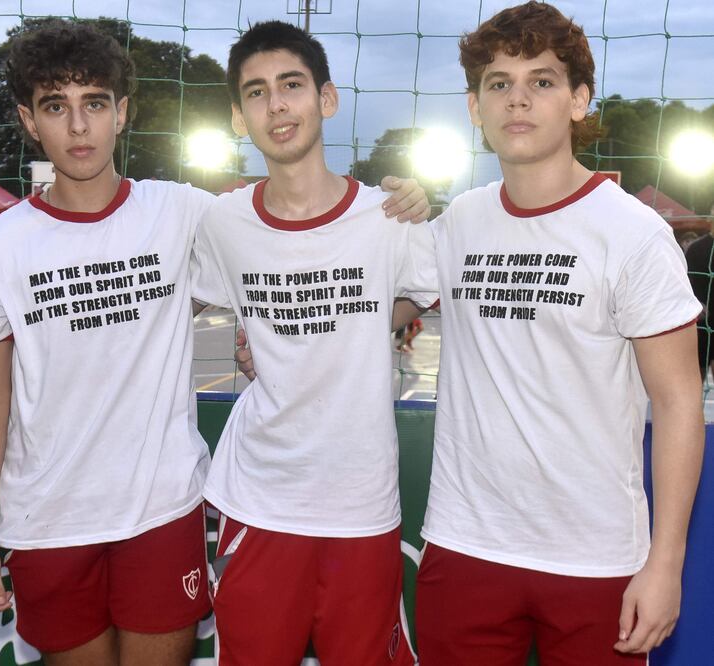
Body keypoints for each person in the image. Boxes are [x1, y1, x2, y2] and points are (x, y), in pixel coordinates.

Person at [0, 20, 429, 665]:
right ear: (28, 120)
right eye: (55, 107)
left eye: (95, 103)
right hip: (47, 519)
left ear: (122, 112)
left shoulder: (182, 212)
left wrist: (406, 196)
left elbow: (301, 247)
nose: (79, 126)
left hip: (165, 509)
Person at [415, 3, 704, 665]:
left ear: (578, 101)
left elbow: (679, 401)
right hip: (466, 545)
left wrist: (665, 564)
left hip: (595, 558)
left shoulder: (634, 235)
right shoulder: (458, 222)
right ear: (475, 107)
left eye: (541, 81)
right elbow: (377, 307)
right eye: (499, 83)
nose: (517, 99)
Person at [191, 20, 438, 666]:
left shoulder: (389, 217)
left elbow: (416, 295)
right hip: (259, 502)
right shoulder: (223, 222)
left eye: (292, 85)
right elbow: (174, 304)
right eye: (256, 92)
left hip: (361, 504)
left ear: (326, 98)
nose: (276, 105)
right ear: (239, 117)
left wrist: (354, 324)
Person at [685, 223, 714, 380]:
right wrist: (694, 302)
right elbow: (684, 281)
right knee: (697, 374)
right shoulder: (696, 248)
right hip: (701, 321)